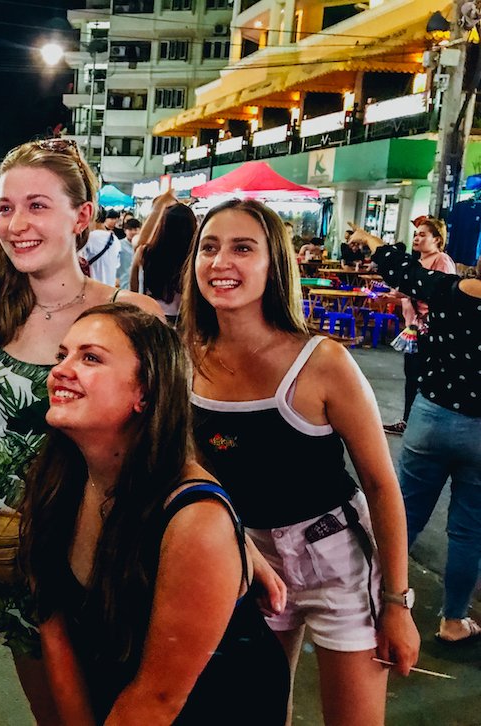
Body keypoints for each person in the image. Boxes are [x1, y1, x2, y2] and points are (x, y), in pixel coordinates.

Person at [0, 138, 163, 726]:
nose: (17, 224)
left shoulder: (131, 316)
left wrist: (232, 537)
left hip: (62, 551)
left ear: (81, 217)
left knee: (64, 712)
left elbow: (168, 440)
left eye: (37, 206)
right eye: (6, 207)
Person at [182, 199, 419, 725]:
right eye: (209, 247)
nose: (221, 262)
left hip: (337, 561)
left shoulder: (323, 361)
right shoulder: (185, 359)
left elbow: (381, 485)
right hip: (246, 560)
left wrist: (397, 603)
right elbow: (193, 473)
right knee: (258, 715)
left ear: (274, 264)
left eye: (243, 248)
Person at [21, 303, 290, 725]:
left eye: (90, 358)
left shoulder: (195, 520)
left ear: (145, 393)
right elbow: (54, 627)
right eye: (62, 355)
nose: (60, 371)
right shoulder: (58, 477)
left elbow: (157, 699)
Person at [351, 228, 481, 645]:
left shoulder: (445, 289)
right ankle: (453, 620)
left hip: (432, 418)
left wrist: (372, 241)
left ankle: (372, 598)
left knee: (403, 513)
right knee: (469, 531)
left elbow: (397, 267)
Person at [381, 217, 457, 435]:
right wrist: (394, 298)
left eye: (423, 235)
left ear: (437, 240)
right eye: (416, 234)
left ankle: (422, 427)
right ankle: (408, 421)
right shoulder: (417, 264)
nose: (417, 238)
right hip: (413, 330)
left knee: (424, 378)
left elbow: (442, 296)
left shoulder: (441, 261)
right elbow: (410, 296)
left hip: (429, 332)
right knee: (412, 377)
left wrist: (407, 294)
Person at [131, 203, 197, 325]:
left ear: (162, 225)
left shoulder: (144, 252)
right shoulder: (194, 257)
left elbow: (133, 288)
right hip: (184, 319)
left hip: (149, 316)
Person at [83, 209, 121, 285]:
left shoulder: (88, 239)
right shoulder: (115, 239)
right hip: (109, 288)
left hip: (91, 287)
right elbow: (117, 265)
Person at [115, 217, 140, 290]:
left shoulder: (143, 247)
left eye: (136, 229)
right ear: (125, 230)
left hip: (139, 285)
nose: (133, 232)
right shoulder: (118, 245)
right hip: (122, 284)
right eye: (130, 229)